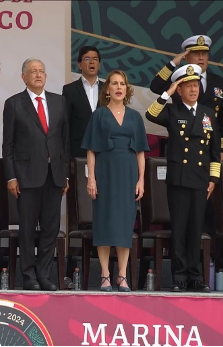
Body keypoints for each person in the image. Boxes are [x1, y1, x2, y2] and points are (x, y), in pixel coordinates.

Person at [145, 64, 219, 293]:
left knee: (196, 228)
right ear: (180, 90)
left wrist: (213, 178)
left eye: (196, 85)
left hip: (200, 179)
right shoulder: (173, 111)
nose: (193, 90)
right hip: (178, 178)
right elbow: (151, 113)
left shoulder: (208, 113)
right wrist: (168, 91)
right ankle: (178, 277)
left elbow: (214, 150)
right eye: (188, 86)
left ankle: (195, 277)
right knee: (179, 229)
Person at [2, 58, 69, 291]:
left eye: (42, 71)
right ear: (24, 77)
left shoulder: (59, 102)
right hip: (26, 175)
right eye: (33, 72)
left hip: (54, 175)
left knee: (50, 228)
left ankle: (44, 274)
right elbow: (7, 144)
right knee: (28, 228)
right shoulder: (14, 104)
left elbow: (64, 141)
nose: (38, 75)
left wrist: (66, 175)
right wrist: (11, 176)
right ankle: (28, 275)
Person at [81, 70, 149, 292]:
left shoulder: (135, 117)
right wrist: (91, 178)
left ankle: (122, 275)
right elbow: (91, 150)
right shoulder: (98, 115)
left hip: (128, 174)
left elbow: (140, 152)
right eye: (114, 83)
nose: (119, 87)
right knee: (104, 223)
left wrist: (141, 180)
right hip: (105, 172)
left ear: (126, 89)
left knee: (123, 226)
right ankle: (105, 275)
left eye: (122, 84)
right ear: (107, 89)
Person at [150, 35, 223, 160]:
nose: (201, 58)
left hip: (210, 147)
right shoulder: (178, 82)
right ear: (186, 57)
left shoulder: (220, 83)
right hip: (184, 147)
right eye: (196, 54)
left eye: (204, 54)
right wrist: (172, 64)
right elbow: (155, 86)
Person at [62, 46, 103, 158]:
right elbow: (66, 123)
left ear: (99, 64)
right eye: (87, 59)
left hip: (104, 149)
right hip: (78, 149)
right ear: (79, 65)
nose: (92, 62)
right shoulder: (69, 90)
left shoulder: (108, 88)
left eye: (95, 59)